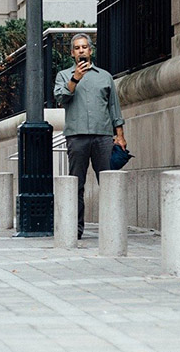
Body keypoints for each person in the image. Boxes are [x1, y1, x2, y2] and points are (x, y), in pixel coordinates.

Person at [53, 33, 125, 240]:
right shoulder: (64, 75)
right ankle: (75, 229)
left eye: (84, 47)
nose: (81, 50)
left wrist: (119, 135)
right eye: (77, 48)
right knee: (77, 184)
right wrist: (75, 78)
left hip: (103, 135)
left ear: (90, 50)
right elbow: (60, 97)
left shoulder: (105, 76)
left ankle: (113, 227)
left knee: (108, 182)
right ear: (72, 52)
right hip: (76, 136)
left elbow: (114, 107)